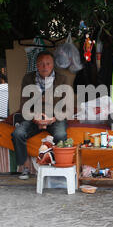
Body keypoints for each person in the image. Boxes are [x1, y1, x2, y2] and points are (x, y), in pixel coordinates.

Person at [11, 51, 68, 179]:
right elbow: (24, 104)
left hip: (54, 117)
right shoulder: (28, 78)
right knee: (17, 133)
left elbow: (66, 106)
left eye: (48, 64)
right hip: (34, 117)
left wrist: (52, 118)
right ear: (36, 65)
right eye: (41, 64)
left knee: (61, 135)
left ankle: (59, 166)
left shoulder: (62, 79)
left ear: (53, 65)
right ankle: (25, 167)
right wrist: (35, 117)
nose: (45, 67)